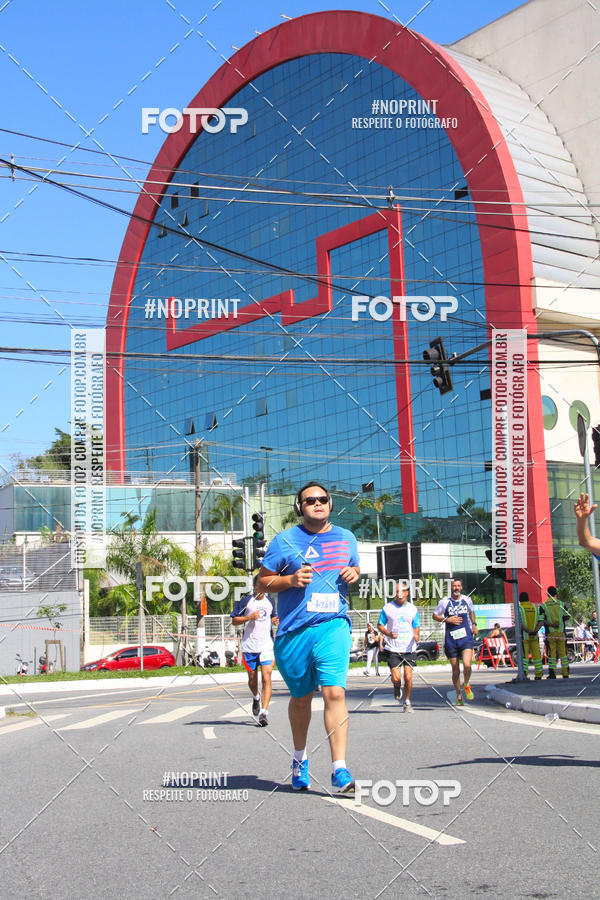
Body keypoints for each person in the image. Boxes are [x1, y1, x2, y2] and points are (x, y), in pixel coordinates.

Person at [257, 481, 360, 793]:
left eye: (323, 499)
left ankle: (339, 769)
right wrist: (288, 580)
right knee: (301, 700)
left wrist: (355, 574)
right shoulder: (284, 541)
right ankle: (299, 759)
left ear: (330, 504)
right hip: (294, 632)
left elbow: (354, 568)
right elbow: (261, 583)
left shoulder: (346, 538)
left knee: (335, 694)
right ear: (299, 507)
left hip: (333, 625)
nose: (318, 503)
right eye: (310, 500)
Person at [230, 577, 279, 726]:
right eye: (260, 584)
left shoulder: (270, 601)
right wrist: (249, 617)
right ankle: (256, 696)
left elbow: (273, 616)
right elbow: (234, 620)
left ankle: (264, 712)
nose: (263, 587)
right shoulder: (246, 601)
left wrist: (275, 620)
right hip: (250, 646)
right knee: (252, 678)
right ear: (255, 586)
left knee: (266, 677)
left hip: (266, 645)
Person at [432, 579, 478, 705]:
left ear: (461, 587)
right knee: (455, 670)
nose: (456, 588)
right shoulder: (444, 601)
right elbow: (434, 615)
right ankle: (458, 694)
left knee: (467, 665)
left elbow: (471, 611)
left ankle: (466, 684)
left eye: (458, 586)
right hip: (451, 640)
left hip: (466, 638)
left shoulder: (467, 600)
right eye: (454, 586)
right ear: (451, 588)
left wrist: (474, 624)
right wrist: (447, 619)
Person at [378, 582, 420, 713]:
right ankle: (396, 687)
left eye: (402, 591)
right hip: (393, 648)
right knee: (396, 678)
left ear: (407, 592)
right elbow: (380, 625)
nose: (400, 593)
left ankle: (407, 702)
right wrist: (388, 634)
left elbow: (416, 625)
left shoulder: (412, 609)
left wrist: (417, 634)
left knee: (408, 677)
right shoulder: (387, 608)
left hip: (408, 648)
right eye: (397, 591)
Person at [540, 586, 569, 679]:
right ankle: (565, 673)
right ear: (556, 594)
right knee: (563, 654)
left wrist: (551, 625)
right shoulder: (561, 604)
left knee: (552, 654)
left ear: (547, 594)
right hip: (561, 633)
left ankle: (552, 674)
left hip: (550, 634)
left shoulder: (543, 606)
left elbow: (542, 620)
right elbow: (567, 617)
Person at [519, 591, 543, 680]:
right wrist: (535, 631)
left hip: (524, 637)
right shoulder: (536, 608)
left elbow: (519, 623)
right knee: (537, 656)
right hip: (535, 636)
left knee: (525, 657)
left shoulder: (519, 608)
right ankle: (539, 674)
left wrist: (527, 631)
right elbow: (541, 621)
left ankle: (524, 673)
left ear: (520, 599)